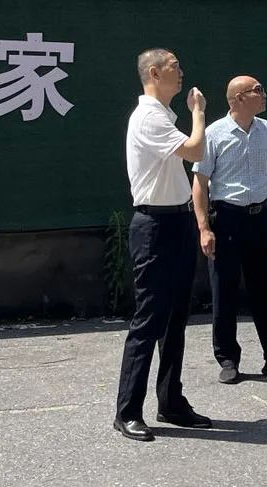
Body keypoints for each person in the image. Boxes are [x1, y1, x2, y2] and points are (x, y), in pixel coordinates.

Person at [114, 48, 212, 442]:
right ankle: (127, 411)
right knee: (150, 319)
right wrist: (199, 113)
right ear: (154, 73)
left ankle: (171, 402)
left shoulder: (162, 115)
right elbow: (196, 151)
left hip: (177, 221)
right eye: (175, 66)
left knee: (175, 318)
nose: (181, 71)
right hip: (154, 225)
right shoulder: (149, 117)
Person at [191, 76, 267, 385]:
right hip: (226, 219)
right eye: (257, 90)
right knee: (225, 290)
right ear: (238, 98)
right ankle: (228, 358)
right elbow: (200, 183)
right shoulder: (214, 133)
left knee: (266, 290)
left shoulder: (266, 129)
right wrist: (204, 227)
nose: (264, 94)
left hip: (261, 217)